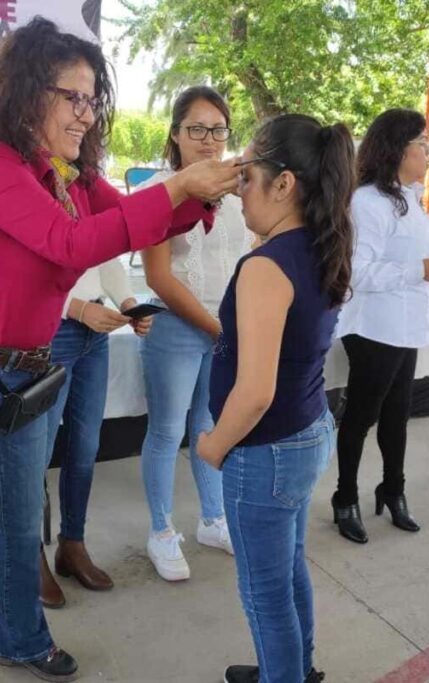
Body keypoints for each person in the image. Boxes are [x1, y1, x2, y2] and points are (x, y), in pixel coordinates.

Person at [0, 18, 239, 683]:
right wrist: (183, 188)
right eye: (71, 95)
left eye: (91, 97)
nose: (85, 111)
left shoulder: (67, 174)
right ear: (25, 92)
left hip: (27, 372)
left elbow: (133, 217)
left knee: (20, 526)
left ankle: (19, 636)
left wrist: (199, 187)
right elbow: (70, 246)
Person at [196, 114, 357, 683]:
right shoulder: (320, 245)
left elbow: (255, 392)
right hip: (305, 433)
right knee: (287, 573)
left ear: (284, 184)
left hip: (265, 450)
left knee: (265, 594)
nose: (240, 195)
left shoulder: (266, 267)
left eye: (246, 178)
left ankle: (282, 674)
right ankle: (292, 670)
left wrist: (214, 445)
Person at [137, 85, 253, 582]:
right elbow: (159, 277)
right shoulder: (160, 193)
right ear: (176, 134)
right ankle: (161, 531)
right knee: (166, 431)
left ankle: (212, 518)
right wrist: (217, 328)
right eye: (197, 129)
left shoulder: (238, 191)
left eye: (218, 130)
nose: (209, 140)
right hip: (178, 327)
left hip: (225, 326)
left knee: (207, 424)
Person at [331, 109, 429, 544]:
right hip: (374, 327)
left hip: (406, 326)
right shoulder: (367, 201)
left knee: (397, 418)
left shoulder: (411, 196)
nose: (427, 151)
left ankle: (393, 488)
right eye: (421, 142)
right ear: (397, 148)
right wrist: (420, 268)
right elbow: (358, 273)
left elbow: (406, 262)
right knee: (361, 417)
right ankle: (345, 496)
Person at [37, 258, 150, 608]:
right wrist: (76, 307)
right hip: (49, 327)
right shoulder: (31, 200)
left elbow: (104, 256)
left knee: (84, 447)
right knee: (34, 453)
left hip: (94, 334)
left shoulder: (86, 199)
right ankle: (28, 555)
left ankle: (73, 543)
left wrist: (129, 303)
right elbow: (16, 267)